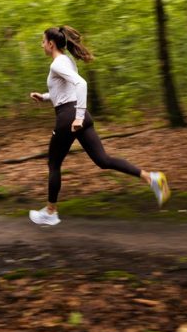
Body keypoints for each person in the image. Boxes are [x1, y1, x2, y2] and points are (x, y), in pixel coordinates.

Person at [28, 25, 170, 226]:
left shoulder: (56, 64)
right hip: (80, 114)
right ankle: (151, 178)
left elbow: (81, 84)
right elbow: (64, 91)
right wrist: (43, 97)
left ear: (51, 44)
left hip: (69, 117)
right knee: (103, 160)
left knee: (53, 164)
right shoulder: (66, 60)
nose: (42, 45)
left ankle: (50, 212)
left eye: (43, 41)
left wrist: (76, 117)